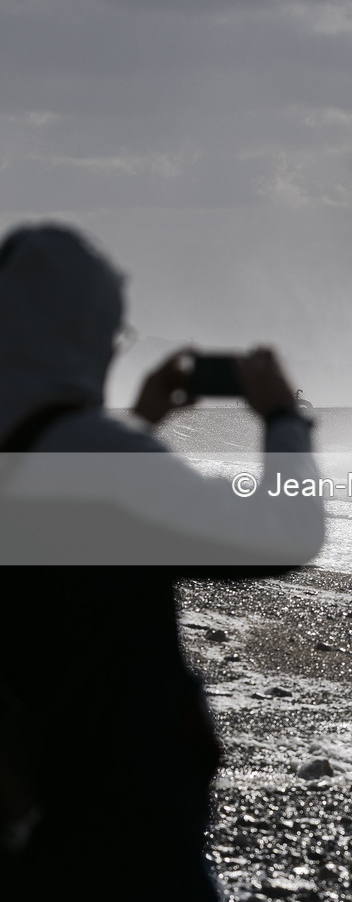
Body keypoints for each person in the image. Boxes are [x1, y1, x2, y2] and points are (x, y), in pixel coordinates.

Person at [0, 223, 325, 901]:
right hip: (120, 822)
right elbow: (283, 534)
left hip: (28, 808)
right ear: (81, 332)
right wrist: (285, 418)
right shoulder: (95, 457)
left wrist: (139, 428)